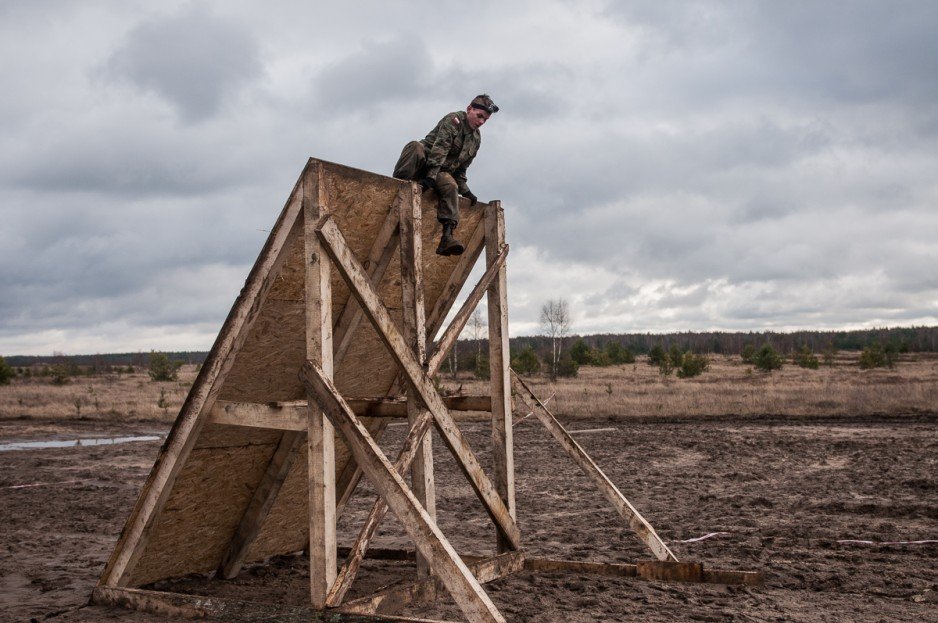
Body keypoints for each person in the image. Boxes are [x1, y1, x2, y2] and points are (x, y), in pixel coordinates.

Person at [393, 94, 499, 256]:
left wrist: (465, 190)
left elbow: (461, 169)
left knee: (451, 185)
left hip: (439, 172)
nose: (481, 122)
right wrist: (430, 176)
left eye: (485, 120)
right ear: (469, 109)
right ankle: (394, 188)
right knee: (415, 147)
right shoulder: (454, 120)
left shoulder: (475, 139)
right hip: (424, 162)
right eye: (479, 116)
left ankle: (447, 237)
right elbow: (439, 150)